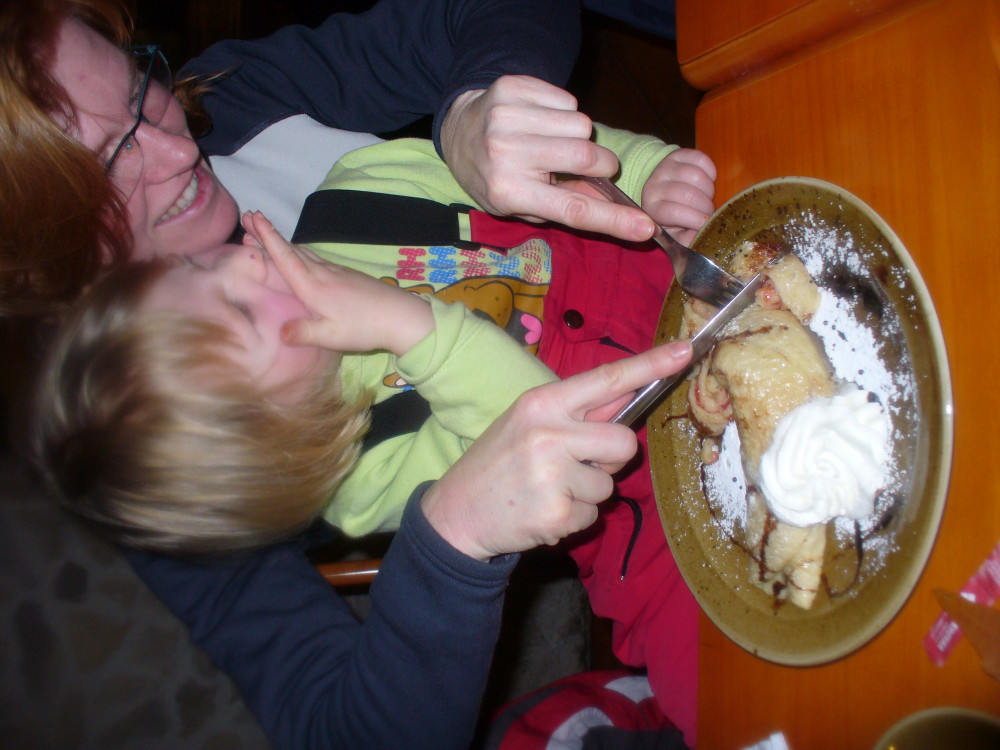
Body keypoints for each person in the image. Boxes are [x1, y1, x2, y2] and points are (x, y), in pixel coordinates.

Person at [1, 0, 711, 746]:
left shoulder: (343, 180)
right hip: (656, 514)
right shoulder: (167, 450)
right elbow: (354, 731)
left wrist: (475, 114)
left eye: (137, 86)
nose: (178, 152)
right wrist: (449, 542)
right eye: (105, 165)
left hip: (681, 269)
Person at [31, 230, 557, 555]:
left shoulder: (336, 226)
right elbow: (556, 443)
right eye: (241, 311)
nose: (241, 260)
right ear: (281, 438)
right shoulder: (368, 484)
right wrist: (406, 324)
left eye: (196, 264)